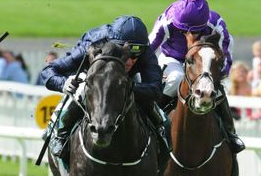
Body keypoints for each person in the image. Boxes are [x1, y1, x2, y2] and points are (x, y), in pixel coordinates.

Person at [39, 15, 167, 164]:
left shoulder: (144, 50)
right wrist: (63, 84)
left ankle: (164, 145)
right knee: (82, 89)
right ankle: (59, 134)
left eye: (136, 55)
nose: (131, 61)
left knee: (162, 117)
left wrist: (126, 88)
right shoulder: (94, 44)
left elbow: (156, 89)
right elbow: (48, 71)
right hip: (95, 79)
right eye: (127, 54)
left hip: (126, 83)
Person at [149, 0, 245, 160]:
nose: (187, 34)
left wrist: (217, 76)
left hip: (203, 61)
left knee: (217, 90)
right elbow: (149, 48)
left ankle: (230, 134)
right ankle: (152, 122)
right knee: (176, 78)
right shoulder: (167, 20)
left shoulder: (216, 25)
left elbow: (226, 54)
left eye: (192, 31)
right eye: (182, 30)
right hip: (173, 58)